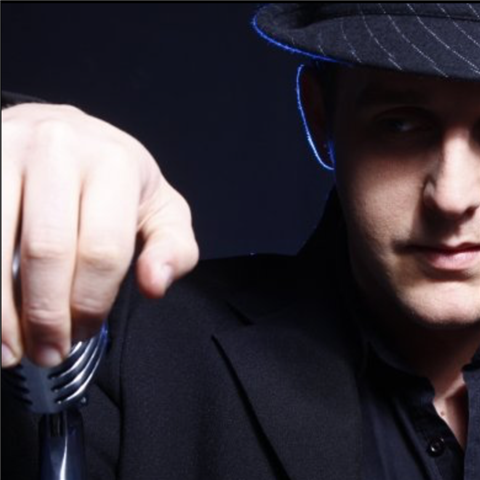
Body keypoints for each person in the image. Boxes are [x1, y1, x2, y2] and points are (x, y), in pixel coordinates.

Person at [2, 3, 479, 479]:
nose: (452, 198)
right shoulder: (127, 348)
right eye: (399, 124)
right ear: (319, 116)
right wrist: (27, 165)